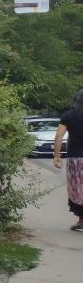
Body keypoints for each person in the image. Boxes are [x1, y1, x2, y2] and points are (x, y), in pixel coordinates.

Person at [53, 88, 83, 231]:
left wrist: (57, 156)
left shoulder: (68, 116)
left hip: (76, 159)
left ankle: (81, 219)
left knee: (77, 190)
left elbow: (59, 136)